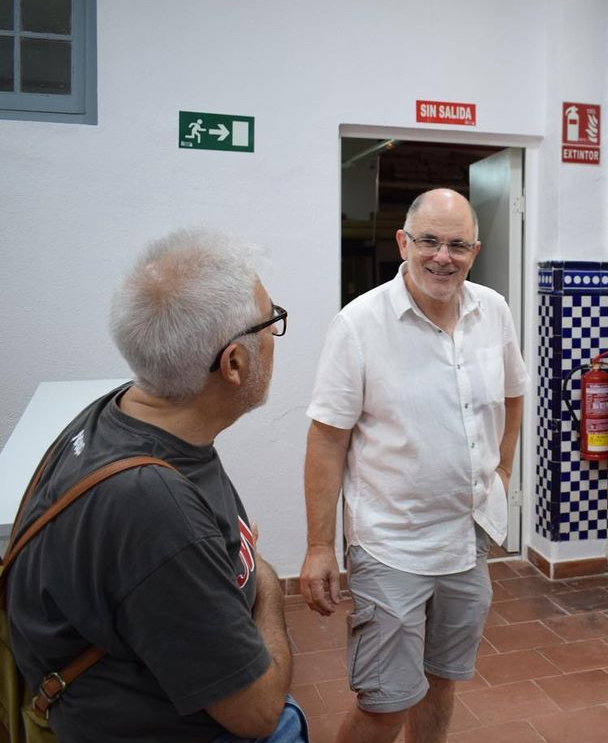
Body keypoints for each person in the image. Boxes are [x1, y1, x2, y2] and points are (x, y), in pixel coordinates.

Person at [5, 229, 306, 743]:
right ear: (233, 363)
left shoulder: (112, 412)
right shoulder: (154, 507)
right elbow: (255, 712)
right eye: (272, 320)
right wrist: (268, 583)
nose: (277, 336)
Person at [299, 188, 527, 743]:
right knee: (386, 702)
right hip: (390, 543)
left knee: (443, 679)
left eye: (456, 244)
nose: (441, 256)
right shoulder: (359, 325)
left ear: (475, 250)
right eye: (428, 241)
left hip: (466, 537)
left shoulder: (492, 310)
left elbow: (514, 395)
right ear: (403, 242)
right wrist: (320, 545)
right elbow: (326, 440)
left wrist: (500, 474)